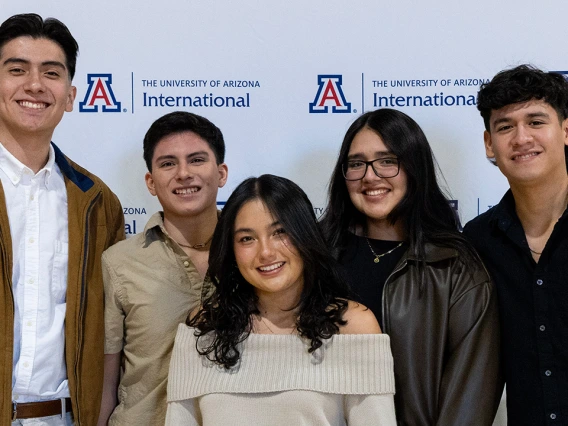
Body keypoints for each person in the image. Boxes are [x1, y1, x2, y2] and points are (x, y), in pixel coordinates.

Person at [165, 174, 396, 426]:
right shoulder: (205, 325)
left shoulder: (353, 326)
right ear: (231, 249)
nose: (265, 252)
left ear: (305, 235)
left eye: (280, 232)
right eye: (247, 239)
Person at [320, 108, 502, 425]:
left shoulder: (455, 267)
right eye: (356, 163)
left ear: (414, 169)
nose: (370, 176)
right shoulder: (315, 257)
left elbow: (469, 398)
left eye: (388, 161)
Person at [0, 13, 124, 426]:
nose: (34, 85)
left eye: (50, 73)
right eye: (16, 69)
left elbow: (114, 330)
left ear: (70, 95)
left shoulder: (98, 202)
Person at [97, 111, 228, 426]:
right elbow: (105, 382)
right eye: (168, 163)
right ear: (150, 182)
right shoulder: (119, 262)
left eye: (197, 160)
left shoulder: (256, 257)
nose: (183, 173)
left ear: (221, 173)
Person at [463, 65, 568, 425]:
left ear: (566, 130)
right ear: (489, 143)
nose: (521, 138)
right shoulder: (477, 241)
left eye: (536, 122)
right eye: (505, 126)